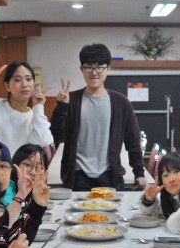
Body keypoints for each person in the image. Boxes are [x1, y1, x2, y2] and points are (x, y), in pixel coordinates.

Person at [50, 43, 146, 190]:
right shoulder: (72, 100)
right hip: (78, 175)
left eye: (100, 66)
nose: (94, 72)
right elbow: (56, 135)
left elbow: (133, 139)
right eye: (88, 66)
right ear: (81, 69)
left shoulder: (120, 102)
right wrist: (62, 107)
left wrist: (139, 172)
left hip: (109, 174)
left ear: (108, 68)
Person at [138, 151, 180, 235]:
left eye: (176, 172)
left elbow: (177, 225)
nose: (171, 179)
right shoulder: (171, 197)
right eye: (165, 175)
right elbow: (153, 210)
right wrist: (149, 199)